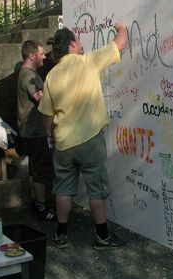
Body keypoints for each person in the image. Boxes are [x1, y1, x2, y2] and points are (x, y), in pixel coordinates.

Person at [38, 23, 128, 249]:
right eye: (78, 40)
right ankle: (102, 235)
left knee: (63, 188)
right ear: (71, 44)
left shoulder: (51, 75)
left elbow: (47, 114)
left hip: (64, 143)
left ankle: (61, 235)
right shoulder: (88, 61)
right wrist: (122, 28)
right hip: (89, 139)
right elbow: (119, 44)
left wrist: (49, 134)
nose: (81, 44)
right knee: (96, 187)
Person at [17, 40, 57, 221]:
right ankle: (42, 207)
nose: (45, 56)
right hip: (35, 131)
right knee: (41, 169)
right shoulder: (28, 75)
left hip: (30, 131)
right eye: (42, 53)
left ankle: (36, 203)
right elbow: (40, 99)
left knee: (34, 168)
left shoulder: (27, 73)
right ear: (32, 55)